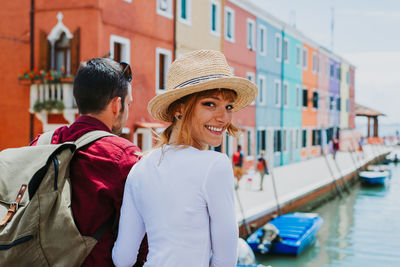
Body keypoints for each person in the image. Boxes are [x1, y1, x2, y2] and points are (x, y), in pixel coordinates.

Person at [112, 50, 258, 267]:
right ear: (179, 108)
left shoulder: (140, 168)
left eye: (228, 106)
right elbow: (226, 261)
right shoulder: (215, 166)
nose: (224, 117)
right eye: (210, 104)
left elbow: (122, 259)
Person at [31, 58, 147, 267]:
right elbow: (141, 242)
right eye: (128, 103)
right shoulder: (124, 157)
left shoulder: (40, 143)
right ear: (117, 105)